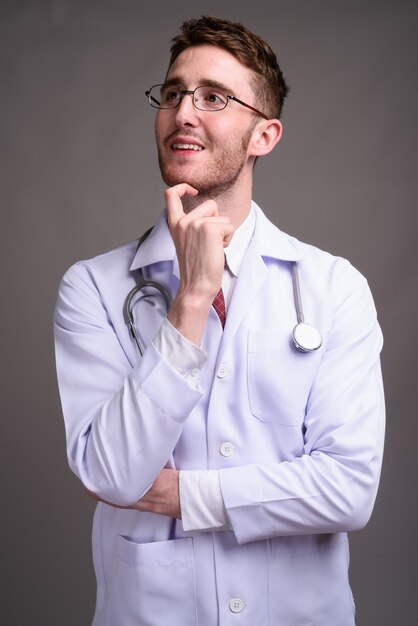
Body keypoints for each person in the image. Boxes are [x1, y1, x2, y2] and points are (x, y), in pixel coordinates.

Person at [54, 15, 385, 626]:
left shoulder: (334, 288)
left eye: (214, 97)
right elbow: (109, 472)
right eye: (173, 93)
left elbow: (348, 490)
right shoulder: (94, 288)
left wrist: (184, 496)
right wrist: (192, 301)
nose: (183, 113)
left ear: (264, 135)